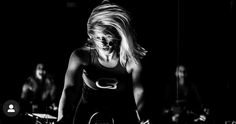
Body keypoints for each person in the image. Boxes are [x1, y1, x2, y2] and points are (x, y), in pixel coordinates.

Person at [57, 1, 148, 124]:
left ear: (118, 35)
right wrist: (62, 119)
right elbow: (70, 90)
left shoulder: (131, 61)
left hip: (121, 115)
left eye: (108, 36)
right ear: (92, 36)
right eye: (99, 37)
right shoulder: (81, 56)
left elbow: (139, 91)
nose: (103, 43)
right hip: (86, 115)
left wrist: (142, 118)